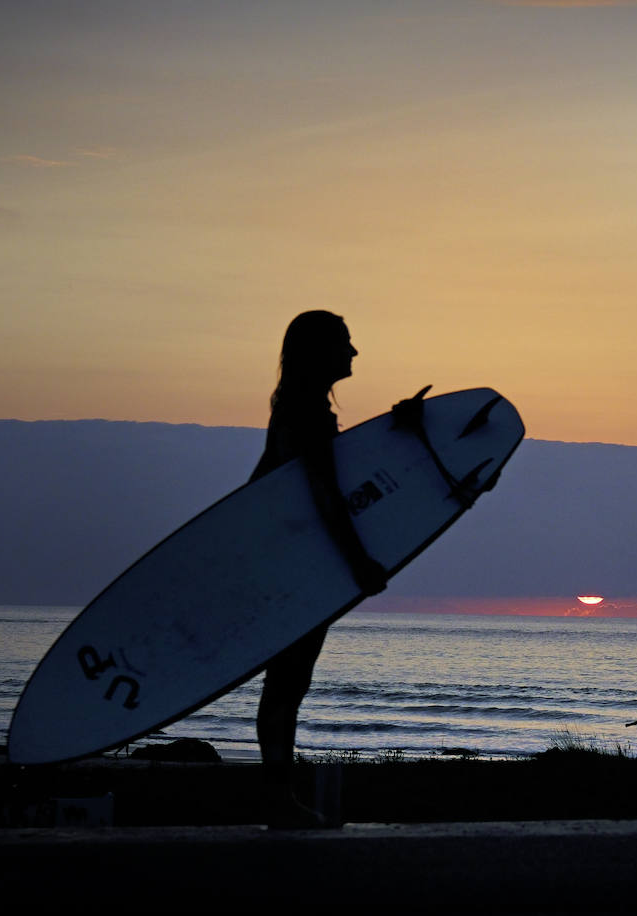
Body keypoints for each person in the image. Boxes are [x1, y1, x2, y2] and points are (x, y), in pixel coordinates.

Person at [251, 310, 389, 828]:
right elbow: (325, 496)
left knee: (288, 682)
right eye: (346, 344)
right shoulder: (305, 412)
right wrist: (359, 564)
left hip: (288, 564)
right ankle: (277, 798)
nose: (354, 353)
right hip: (296, 571)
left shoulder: (294, 408)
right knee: (287, 683)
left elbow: (265, 485)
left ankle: (278, 794)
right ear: (321, 352)